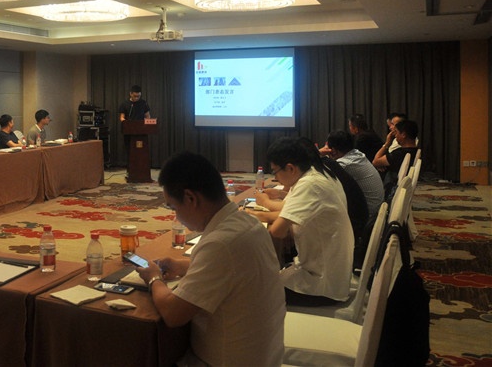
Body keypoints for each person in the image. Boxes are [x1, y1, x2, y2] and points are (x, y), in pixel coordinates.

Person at [134, 152, 285, 366]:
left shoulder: (220, 244)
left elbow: (173, 314)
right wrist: (182, 266)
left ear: (191, 198)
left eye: (174, 207)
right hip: (264, 356)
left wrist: (154, 278)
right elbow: (234, 270)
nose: (176, 216)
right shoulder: (248, 223)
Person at [261, 137, 354, 306]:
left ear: (290, 168)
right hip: (327, 272)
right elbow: (287, 213)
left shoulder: (310, 183)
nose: (276, 177)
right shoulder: (318, 174)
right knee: (264, 279)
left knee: (253, 289)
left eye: (275, 171)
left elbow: (277, 231)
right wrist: (255, 214)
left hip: (323, 285)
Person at [326, 130, 384, 218]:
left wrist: (319, 153)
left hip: (368, 217)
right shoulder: (358, 154)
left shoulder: (345, 164)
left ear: (333, 151)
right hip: (377, 211)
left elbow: (319, 174)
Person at [373, 119, 420, 192]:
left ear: (403, 134)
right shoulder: (415, 150)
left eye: (396, 132)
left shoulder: (399, 154)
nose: (395, 136)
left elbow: (375, 162)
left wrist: (387, 143)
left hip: (390, 189)